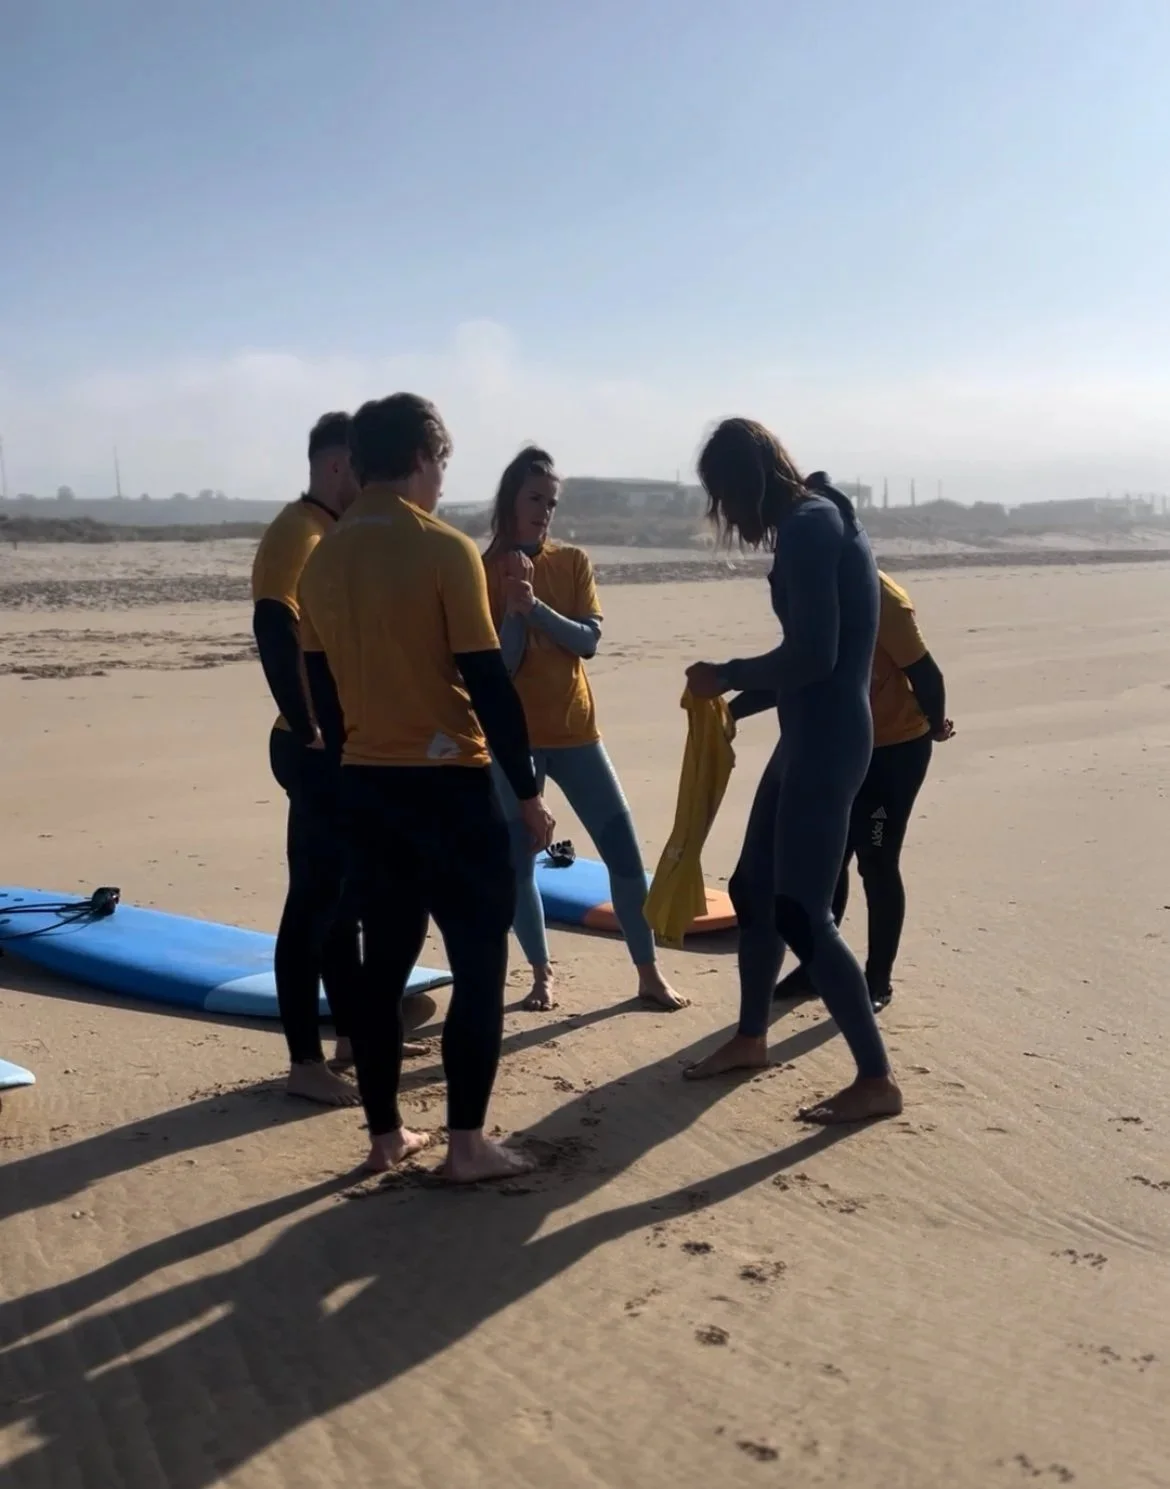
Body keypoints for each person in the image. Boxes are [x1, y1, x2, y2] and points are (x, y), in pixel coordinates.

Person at [297, 393, 557, 1181]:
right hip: (450, 786)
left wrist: (352, 767)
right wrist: (529, 789)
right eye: (441, 464)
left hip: (366, 786)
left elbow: (320, 687)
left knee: (385, 965)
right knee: (479, 963)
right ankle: (467, 1146)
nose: (443, 481)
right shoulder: (442, 549)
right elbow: (487, 681)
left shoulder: (323, 559)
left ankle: (384, 1137)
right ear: (419, 457)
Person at [682, 420, 902, 1125]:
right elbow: (811, 659)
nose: (727, 517)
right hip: (806, 731)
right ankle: (750, 1037)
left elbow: (815, 654)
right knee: (753, 887)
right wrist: (739, 704)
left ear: (744, 482)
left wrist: (726, 674)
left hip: (829, 740)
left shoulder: (809, 527)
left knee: (803, 912)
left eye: (723, 497)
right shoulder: (816, 518)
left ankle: (876, 1078)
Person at [252, 412, 432, 1108]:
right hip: (311, 747)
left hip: (338, 743)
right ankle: (304, 1061)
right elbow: (273, 627)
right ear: (338, 469)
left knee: (346, 896)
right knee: (315, 902)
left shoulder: (329, 532)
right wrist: (311, 728)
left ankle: (356, 1033)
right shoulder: (296, 534)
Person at [737, 476, 954, 1011]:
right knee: (825, 864)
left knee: (876, 862)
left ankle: (877, 978)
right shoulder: (813, 590)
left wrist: (936, 720)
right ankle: (817, 969)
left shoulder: (882, 596)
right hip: (836, 745)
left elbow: (926, 672)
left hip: (894, 750)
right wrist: (733, 707)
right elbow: (803, 669)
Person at [481, 446, 685, 1013]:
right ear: (509, 501)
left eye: (551, 502)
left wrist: (535, 604)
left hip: (578, 733)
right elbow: (500, 666)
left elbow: (588, 642)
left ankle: (648, 973)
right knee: (519, 865)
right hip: (514, 745)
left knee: (622, 851)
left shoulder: (571, 562)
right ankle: (542, 976)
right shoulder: (480, 570)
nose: (544, 511)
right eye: (534, 499)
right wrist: (513, 608)